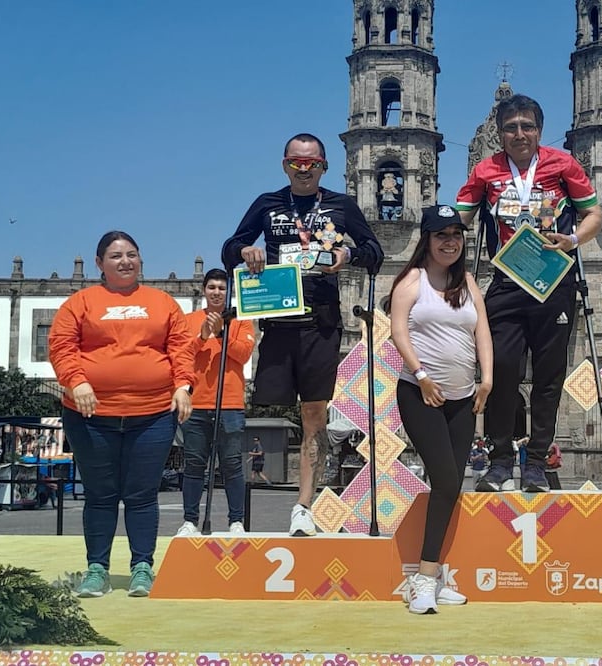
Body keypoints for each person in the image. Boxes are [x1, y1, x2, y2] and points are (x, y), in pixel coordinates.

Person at [222, 132, 383, 536]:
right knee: (260, 412)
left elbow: (374, 252)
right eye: (297, 162)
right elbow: (229, 248)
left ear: (324, 166)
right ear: (285, 165)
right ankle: (236, 511)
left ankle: (303, 506)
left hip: (322, 323)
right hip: (276, 323)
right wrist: (245, 251)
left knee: (315, 416)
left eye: (311, 163)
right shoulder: (267, 204)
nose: (304, 169)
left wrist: (349, 254)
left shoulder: (342, 206)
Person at [456, 94, 602, 493]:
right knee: (501, 368)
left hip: (554, 280)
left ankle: (536, 462)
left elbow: (594, 214)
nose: (520, 133)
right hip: (506, 281)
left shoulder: (564, 164)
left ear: (539, 130)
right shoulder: (485, 172)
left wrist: (572, 240)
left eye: (527, 126)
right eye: (511, 127)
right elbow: (459, 219)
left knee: (549, 375)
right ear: (499, 132)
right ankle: (500, 461)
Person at [49, 231, 194, 598]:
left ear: (141, 259)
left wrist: (183, 386)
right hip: (91, 415)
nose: (125, 261)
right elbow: (62, 345)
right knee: (100, 494)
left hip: (153, 415)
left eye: (132, 254)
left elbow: (180, 346)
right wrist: (75, 380)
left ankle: (142, 567)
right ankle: (97, 568)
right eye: (115, 256)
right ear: (100, 263)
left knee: (142, 494)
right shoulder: (80, 303)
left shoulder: (162, 303)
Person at [389, 204, 493, 614]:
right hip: (420, 394)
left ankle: (434, 572)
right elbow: (398, 330)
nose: (449, 242)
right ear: (427, 240)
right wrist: (422, 374)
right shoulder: (411, 281)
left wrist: (487, 380)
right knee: (448, 482)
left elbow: (481, 328)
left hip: (464, 397)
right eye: (440, 235)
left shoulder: (468, 282)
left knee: (450, 485)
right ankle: (423, 578)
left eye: (455, 234)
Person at [177, 268, 256, 537]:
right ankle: (190, 520)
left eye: (222, 288)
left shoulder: (242, 322)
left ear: (229, 292)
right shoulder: (188, 320)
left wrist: (222, 333)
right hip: (196, 403)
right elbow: (182, 355)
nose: (216, 292)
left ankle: (236, 520)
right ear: (204, 290)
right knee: (194, 464)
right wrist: (202, 336)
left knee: (232, 464)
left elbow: (244, 355)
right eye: (212, 287)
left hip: (230, 403)